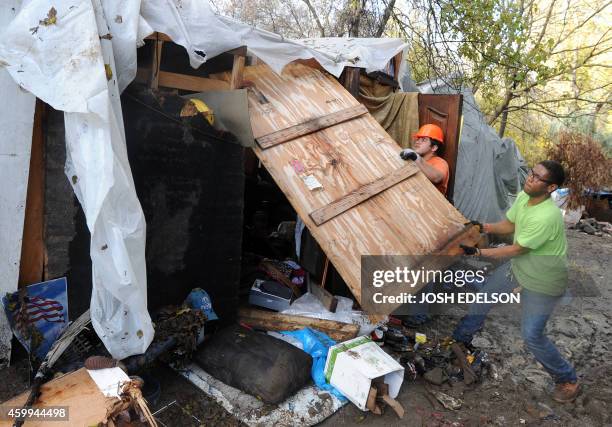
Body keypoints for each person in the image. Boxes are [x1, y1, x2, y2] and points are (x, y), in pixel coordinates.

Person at [455, 160, 579, 403]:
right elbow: (511, 224)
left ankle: (568, 379)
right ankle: (460, 341)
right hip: (520, 268)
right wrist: (485, 227)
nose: (530, 179)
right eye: (531, 173)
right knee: (483, 297)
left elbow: (516, 250)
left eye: (537, 178)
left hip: (544, 281)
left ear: (551, 187)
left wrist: (479, 253)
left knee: (532, 335)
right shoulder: (525, 196)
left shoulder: (547, 216)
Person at [399, 124, 449, 195]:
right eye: (418, 139)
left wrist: (417, 158)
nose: (417, 142)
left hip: (431, 204)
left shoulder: (440, 162)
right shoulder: (414, 160)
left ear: (434, 148)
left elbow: (437, 178)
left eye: (424, 140)